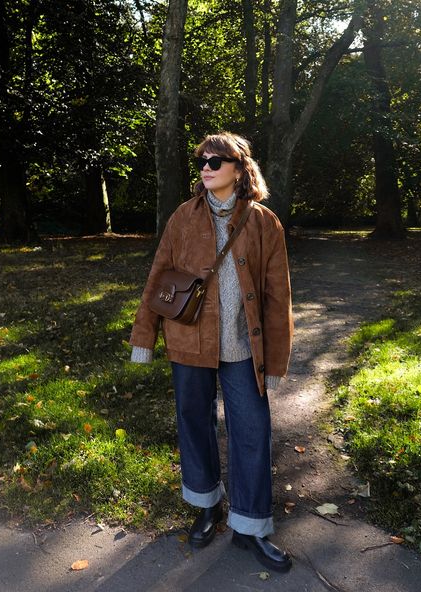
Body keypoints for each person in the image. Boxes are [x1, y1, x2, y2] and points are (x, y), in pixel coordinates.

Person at [129, 131, 293, 572]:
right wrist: (144, 337)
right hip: (189, 343)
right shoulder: (183, 217)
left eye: (215, 161)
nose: (205, 166)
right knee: (193, 423)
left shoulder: (264, 223)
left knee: (253, 433)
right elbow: (159, 277)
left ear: (239, 169)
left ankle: (251, 527)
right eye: (201, 160)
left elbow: (279, 299)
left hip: (244, 350)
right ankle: (207, 506)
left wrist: (276, 360)